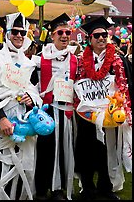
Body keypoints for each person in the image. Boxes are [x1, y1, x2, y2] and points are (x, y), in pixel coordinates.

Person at [73, 16, 132, 200]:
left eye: (104, 35)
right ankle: (88, 188)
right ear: (90, 39)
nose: (101, 38)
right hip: (87, 114)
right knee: (86, 149)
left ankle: (106, 188)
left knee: (108, 150)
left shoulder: (119, 61)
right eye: (96, 35)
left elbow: (127, 85)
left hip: (109, 115)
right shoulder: (80, 62)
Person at [0, 12, 43, 200]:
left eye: (23, 32)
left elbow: (34, 92)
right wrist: (0, 118)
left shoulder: (28, 63)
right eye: (15, 31)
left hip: (23, 124)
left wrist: (30, 100)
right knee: (2, 166)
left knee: (23, 167)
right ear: (7, 33)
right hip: (2, 122)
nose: (19, 36)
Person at [34, 13, 78, 200]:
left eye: (67, 32)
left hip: (67, 111)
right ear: (52, 35)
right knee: (45, 150)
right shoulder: (40, 59)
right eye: (60, 32)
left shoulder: (75, 59)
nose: (65, 36)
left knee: (64, 150)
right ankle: (42, 188)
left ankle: (58, 188)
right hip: (48, 110)